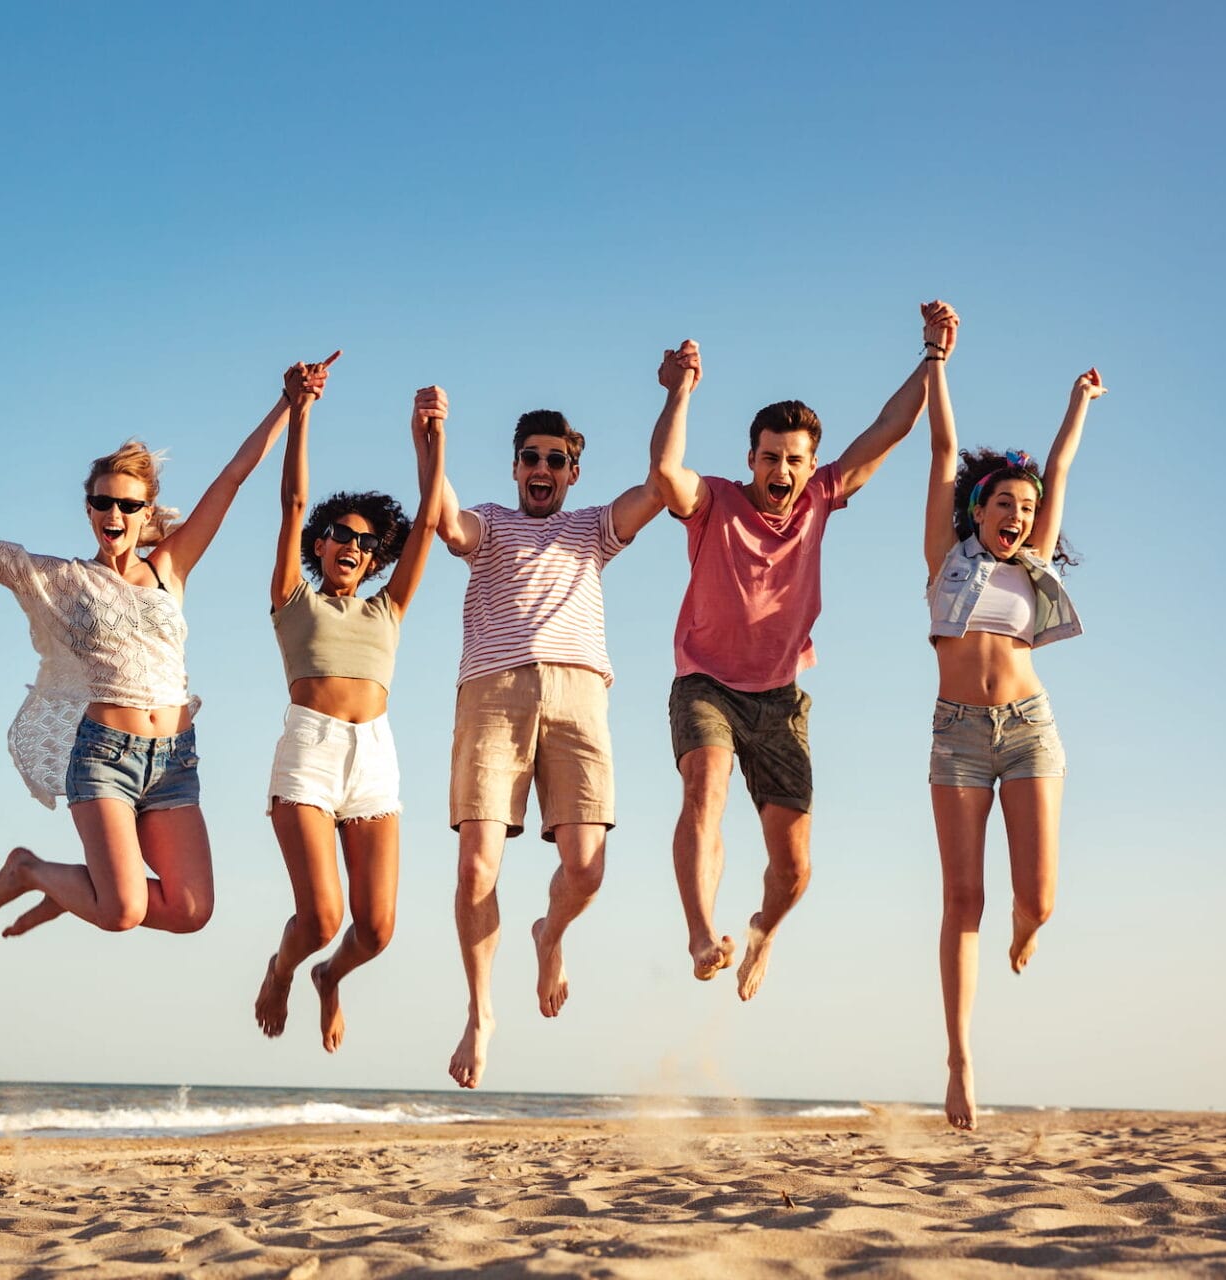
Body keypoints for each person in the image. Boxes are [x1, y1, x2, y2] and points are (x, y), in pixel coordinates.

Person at [0, 360, 313, 938]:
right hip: (104, 757)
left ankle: (72, 890)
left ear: (146, 513)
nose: (116, 515)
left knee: (191, 912)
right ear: (89, 508)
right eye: (103, 503)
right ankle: (32, 870)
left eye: (129, 506)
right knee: (121, 912)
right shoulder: (59, 579)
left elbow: (233, 476)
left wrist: (289, 402)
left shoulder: (170, 569)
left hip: (175, 764)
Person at [649, 304, 960, 1000]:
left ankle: (763, 930)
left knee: (793, 872)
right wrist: (680, 393)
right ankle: (702, 935)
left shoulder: (822, 497)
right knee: (705, 791)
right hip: (705, 684)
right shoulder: (715, 503)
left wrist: (933, 355)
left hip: (782, 697)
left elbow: (891, 428)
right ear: (750, 458)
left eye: (794, 459)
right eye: (769, 457)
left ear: (811, 464)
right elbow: (667, 470)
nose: (781, 470)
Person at [436, 378, 679, 1089]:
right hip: (493, 691)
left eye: (555, 460)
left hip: (579, 697)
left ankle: (550, 935)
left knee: (586, 868)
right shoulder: (489, 524)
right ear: (515, 467)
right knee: (477, 865)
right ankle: (481, 1013)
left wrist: (675, 392)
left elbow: (661, 487)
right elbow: (445, 520)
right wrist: (432, 437)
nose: (541, 470)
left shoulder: (594, 528)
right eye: (529, 458)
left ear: (573, 472)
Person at [924, 322, 1104, 1129]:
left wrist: (1078, 403)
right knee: (963, 900)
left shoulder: (1032, 566)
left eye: (1029, 511)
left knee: (1040, 901)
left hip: (1031, 728)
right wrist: (937, 359)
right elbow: (942, 447)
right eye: (1006, 504)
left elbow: (1060, 465)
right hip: (958, 735)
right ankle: (961, 1065)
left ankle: (1027, 934)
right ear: (979, 507)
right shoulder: (947, 556)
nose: (1020, 518)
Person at [253, 371, 448, 1052]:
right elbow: (293, 499)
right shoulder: (292, 600)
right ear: (318, 544)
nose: (348, 545)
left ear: (372, 559)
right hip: (309, 752)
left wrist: (434, 437)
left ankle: (328, 980)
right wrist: (302, 410)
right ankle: (284, 969)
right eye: (336, 534)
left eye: (363, 542)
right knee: (322, 914)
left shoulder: (386, 608)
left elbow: (428, 519)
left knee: (375, 931)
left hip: (374, 759)